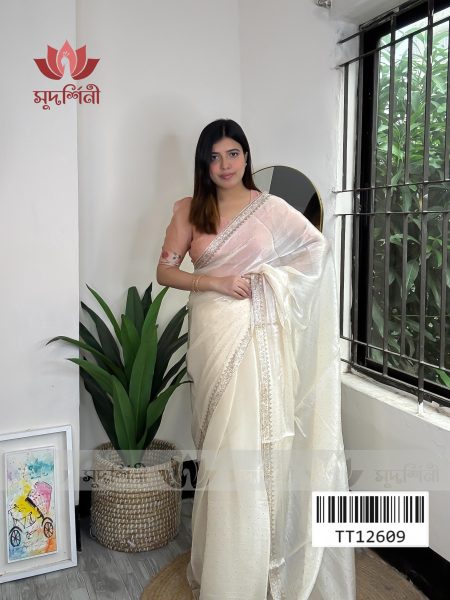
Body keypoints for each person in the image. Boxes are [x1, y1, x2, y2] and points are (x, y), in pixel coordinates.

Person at [156, 119, 355, 600]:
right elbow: (164, 271)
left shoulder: (271, 208)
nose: (225, 165)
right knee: (222, 449)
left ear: (246, 157)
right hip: (214, 334)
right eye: (214, 157)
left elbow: (316, 249)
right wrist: (216, 282)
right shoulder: (188, 210)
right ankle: (228, 568)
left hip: (259, 337)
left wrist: (270, 278)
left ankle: (259, 564)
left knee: (252, 444)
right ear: (204, 163)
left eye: (233, 154)